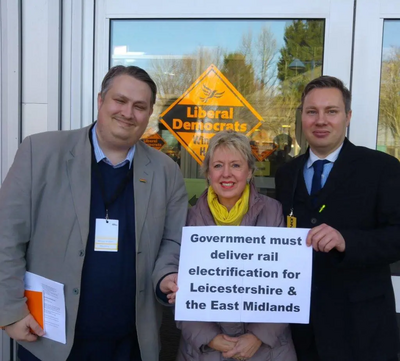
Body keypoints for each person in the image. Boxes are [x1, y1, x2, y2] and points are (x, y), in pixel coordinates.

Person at [0, 65, 188, 361]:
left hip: (131, 345)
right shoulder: (40, 151)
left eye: (140, 106)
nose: (128, 113)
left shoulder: (167, 172)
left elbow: (173, 242)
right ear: (101, 100)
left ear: (149, 113)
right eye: (120, 100)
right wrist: (10, 310)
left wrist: (166, 275)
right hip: (49, 340)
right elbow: (6, 235)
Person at [275, 75, 400, 361]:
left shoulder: (381, 168)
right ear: (302, 117)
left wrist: (348, 241)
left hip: (361, 330)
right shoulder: (286, 174)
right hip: (300, 330)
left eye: (331, 111)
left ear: (348, 117)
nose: (321, 120)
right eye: (312, 112)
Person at [176, 130, 296, 361]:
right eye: (218, 165)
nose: (226, 174)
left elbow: (288, 283)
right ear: (208, 172)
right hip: (204, 350)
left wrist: (257, 336)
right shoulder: (188, 218)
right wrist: (209, 337)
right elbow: (179, 288)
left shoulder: (274, 212)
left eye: (236, 165)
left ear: (250, 171)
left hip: (267, 350)